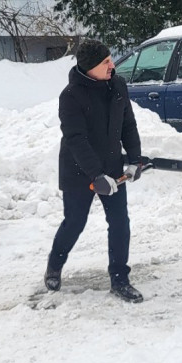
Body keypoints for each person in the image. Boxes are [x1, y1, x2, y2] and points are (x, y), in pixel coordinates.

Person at [45, 39, 146, 303]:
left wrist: (135, 159)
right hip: (79, 169)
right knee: (75, 222)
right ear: (90, 67)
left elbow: (128, 125)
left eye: (110, 59)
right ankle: (55, 264)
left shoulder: (117, 85)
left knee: (120, 222)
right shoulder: (71, 96)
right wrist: (96, 175)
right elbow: (76, 139)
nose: (112, 65)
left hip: (112, 166)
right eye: (105, 62)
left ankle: (120, 279)